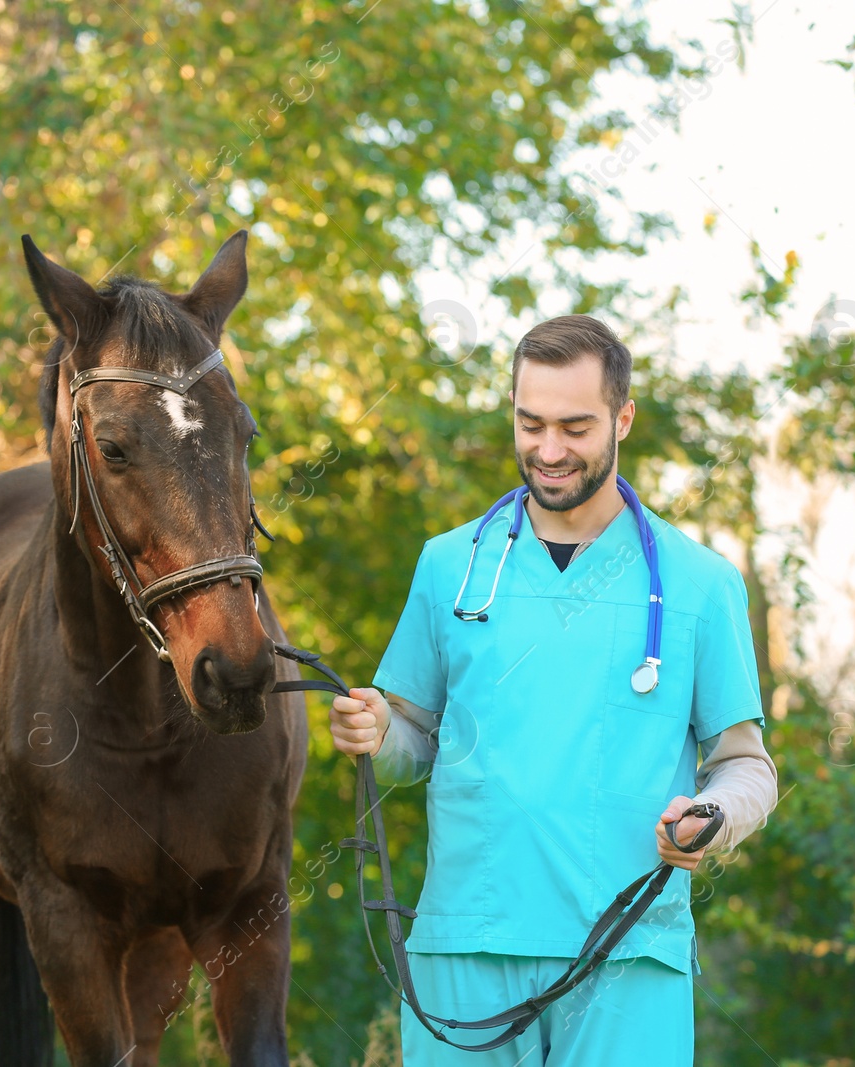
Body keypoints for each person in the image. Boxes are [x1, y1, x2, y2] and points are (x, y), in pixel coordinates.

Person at [329, 314, 778, 1066]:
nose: (548, 450)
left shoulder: (701, 583)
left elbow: (749, 766)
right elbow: (413, 739)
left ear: (623, 417)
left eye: (574, 426)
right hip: (466, 950)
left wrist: (712, 813)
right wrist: (378, 732)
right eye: (529, 423)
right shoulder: (449, 568)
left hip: (629, 955)